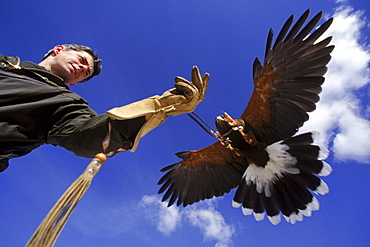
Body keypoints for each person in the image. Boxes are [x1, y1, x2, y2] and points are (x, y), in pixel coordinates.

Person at [0, 44, 209, 172]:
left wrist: (162, 106)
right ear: (58, 50)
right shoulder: (5, 63)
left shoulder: (64, 103)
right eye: (82, 61)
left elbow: (91, 136)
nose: (82, 69)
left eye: (85, 73)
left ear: (73, 83)